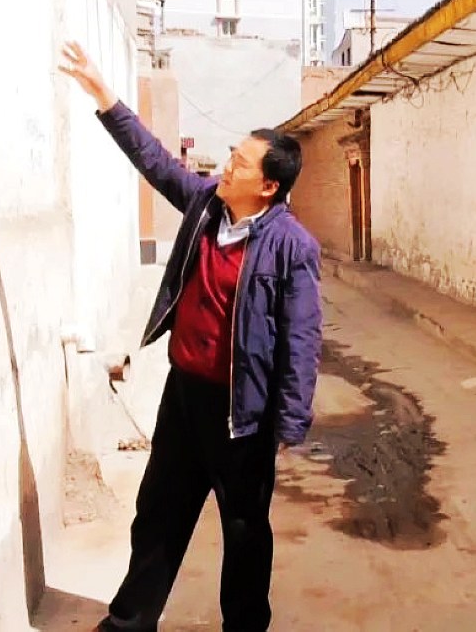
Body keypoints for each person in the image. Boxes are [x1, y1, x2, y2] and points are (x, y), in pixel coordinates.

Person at [59, 41, 323, 631]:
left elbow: (302, 342)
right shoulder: (205, 206)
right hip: (184, 397)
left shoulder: (292, 247)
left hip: (242, 413)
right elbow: (155, 161)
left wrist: (288, 423)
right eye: (232, 155)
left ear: (268, 187)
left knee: (244, 532)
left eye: (240, 163)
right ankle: (128, 623)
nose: (226, 166)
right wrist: (105, 97)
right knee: (158, 514)